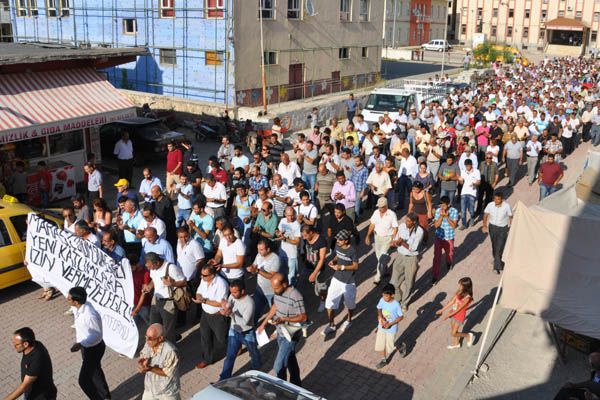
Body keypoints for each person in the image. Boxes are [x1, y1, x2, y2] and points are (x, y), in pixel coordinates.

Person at [257, 273, 307, 386]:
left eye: (276, 288)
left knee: (278, 366)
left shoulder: (295, 295)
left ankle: (283, 389)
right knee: (290, 359)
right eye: (273, 288)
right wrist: (263, 323)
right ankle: (296, 385)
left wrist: (283, 319)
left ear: (285, 284)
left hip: (290, 336)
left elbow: (303, 317)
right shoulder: (278, 291)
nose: (274, 290)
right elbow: (275, 306)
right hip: (280, 333)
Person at [67, 286, 111, 400]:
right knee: (95, 374)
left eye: (69, 298)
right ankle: (105, 397)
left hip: (93, 349)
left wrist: (80, 344)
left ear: (76, 302)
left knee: (84, 380)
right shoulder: (78, 308)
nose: (67, 298)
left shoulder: (90, 315)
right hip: (87, 348)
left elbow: (97, 335)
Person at [219, 279, 262, 381]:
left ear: (243, 291)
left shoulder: (249, 303)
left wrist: (231, 314)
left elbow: (246, 322)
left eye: (235, 292)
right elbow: (228, 307)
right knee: (230, 356)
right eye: (231, 292)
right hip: (233, 331)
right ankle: (223, 379)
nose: (232, 295)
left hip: (247, 333)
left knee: (254, 354)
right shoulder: (232, 297)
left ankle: (256, 375)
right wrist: (224, 307)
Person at [322, 229, 359, 336]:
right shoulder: (337, 246)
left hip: (349, 281)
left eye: (340, 239)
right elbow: (338, 255)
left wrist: (341, 267)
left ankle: (349, 321)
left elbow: (356, 266)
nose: (337, 240)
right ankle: (331, 325)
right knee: (329, 302)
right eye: (337, 238)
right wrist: (333, 260)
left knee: (350, 304)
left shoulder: (352, 250)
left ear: (346, 241)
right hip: (336, 279)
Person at [144, 252, 187, 343]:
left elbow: (184, 282)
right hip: (156, 300)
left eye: (150, 266)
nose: (148, 268)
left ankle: (171, 352)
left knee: (168, 331)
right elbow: (153, 279)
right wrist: (149, 286)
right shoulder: (153, 269)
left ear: (157, 263)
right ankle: (156, 350)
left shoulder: (171, 268)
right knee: (153, 328)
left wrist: (173, 283)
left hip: (168, 302)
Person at [4, 327, 57, 400]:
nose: (14, 346)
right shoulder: (35, 344)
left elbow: (24, 386)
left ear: (26, 344)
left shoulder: (37, 359)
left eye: (16, 344)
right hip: (31, 393)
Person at [193, 264, 229, 369]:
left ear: (212, 275)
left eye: (205, 275)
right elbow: (199, 291)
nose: (202, 277)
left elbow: (220, 303)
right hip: (205, 313)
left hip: (217, 315)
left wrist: (204, 300)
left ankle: (235, 346)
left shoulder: (221, 284)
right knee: (205, 337)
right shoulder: (203, 280)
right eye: (201, 275)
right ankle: (207, 359)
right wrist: (199, 296)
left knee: (222, 338)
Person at [390, 213, 424, 312]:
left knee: (409, 283)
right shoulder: (402, 226)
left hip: (412, 259)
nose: (406, 222)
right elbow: (396, 239)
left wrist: (402, 243)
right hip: (400, 256)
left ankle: (404, 303)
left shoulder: (419, 231)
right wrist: (395, 242)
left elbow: (413, 248)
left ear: (414, 222)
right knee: (394, 282)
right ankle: (397, 299)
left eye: (408, 221)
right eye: (406, 220)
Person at [138, 323, 181, 400]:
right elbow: (143, 355)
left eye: (150, 338)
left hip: (167, 392)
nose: (147, 340)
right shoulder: (148, 343)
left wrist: (150, 368)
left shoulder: (170, 352)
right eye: (146, 337)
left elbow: (167, 372)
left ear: (160, 338)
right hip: (150, 389)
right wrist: (142, 363)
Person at [365, 197, 398, 285]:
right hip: (377, 238)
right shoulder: (376, 213)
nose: (380, 209)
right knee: (379, 256)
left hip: (387, 238)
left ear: (386, 206)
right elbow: (372, 224)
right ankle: (384, 269)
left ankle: (378, 277)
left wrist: (393, 240)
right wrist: (368, 235)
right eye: (379, 207)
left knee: (381, 258)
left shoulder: (392, 214)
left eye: (382, 207)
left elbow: (395, 228)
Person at [435, 277, 475, 349]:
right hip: (453, 312)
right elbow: (452, 301)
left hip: (459, 315)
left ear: (466, 287)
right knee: (454, 330)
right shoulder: (459, 291)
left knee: (453, 333)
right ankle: (456, 344)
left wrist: (448, 315)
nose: (459, 287)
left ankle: (468, 335)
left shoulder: (468, 298)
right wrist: (442, 310)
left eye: (461, 285)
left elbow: (459, 309)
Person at [247, 240, 280, 323]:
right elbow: (254, 265)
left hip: (271, 292)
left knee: (275, 315)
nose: (259, 251)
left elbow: (271, 276)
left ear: (268, 249)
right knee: (254, 311)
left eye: (261, 249)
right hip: (259, 290)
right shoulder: (259, 255)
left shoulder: (275, 259)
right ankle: (252, 328)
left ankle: (279, 331)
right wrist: (251, 268)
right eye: (258, 249)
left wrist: (258, 271)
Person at [374, 284, 404, 369]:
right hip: (381, 326)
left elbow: (401, 317)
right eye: (383, 295)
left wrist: (390, 324)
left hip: (391, 329)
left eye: (386, 296)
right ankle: (384, 360)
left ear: (392, 295)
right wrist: (381, 317)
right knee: (380, 345)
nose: (384, 297)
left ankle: (400, 346)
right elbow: (379, 308)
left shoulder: (396, 304)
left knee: (390, 348)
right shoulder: (382, 300)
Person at [482, 191, 513, 274]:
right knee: (494, 246)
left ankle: (497, 267)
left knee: (500, 246)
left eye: (498, 199)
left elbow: (510, 216)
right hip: (492, 227)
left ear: (502, 199)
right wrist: (484, 225)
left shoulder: (507, 206)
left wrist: (512, 227)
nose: (496, 201)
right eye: (495, 199)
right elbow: (485, 214)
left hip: (502, 229)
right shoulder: (490, 205)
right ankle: (497, 259)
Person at [432, 196, 459, 284]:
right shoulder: (438, 211)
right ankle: (435, 276)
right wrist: (441, 216)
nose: (442, 207)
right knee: (437, 257)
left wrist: (447, 217)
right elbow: (436, 225)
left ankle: (449, 262)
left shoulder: (454, 211)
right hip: (439, 237)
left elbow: (454, 226)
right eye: (441, 205)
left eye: (444, 205)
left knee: (449, 254)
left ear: (448, 205)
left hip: (449, 237)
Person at [275, 206, 301, 286]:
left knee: (291, 276)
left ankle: (292, 290)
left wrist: (285, 239)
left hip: (292, 254)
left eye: (292, 215)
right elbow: (278, 231)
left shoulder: (296, 225)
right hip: (282, 252)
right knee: (281, 272)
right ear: (285, 214)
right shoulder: (282, 221)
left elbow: (297, 242)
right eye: (288, 215)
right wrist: (278, 233)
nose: (291, 217)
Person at [457, 159, 481, 230]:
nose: (467, 167)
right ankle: (464, 224)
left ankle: (472, 217)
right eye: (466, 166)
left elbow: (479, 182)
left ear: (471, 165)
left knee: (471, 210)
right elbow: (461, 183)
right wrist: (460, 180)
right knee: (463, 210)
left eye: (468, 166)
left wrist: (475, 183)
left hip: (472, 192)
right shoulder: (463, 172)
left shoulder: (476, 171)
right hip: (464, 192)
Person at [477, 152, 500, 217]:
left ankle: (485, 211)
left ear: (492, 158)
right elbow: (478, 172)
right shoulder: (482, 164)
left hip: (490, 183)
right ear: (485, 157)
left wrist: (495, 182)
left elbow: (497, 174)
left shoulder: (494, 164)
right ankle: (478, 210)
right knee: (480, 198)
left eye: (490, 158)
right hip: (482, 183)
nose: (488, 159)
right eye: (487, 158)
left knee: (488, 198)